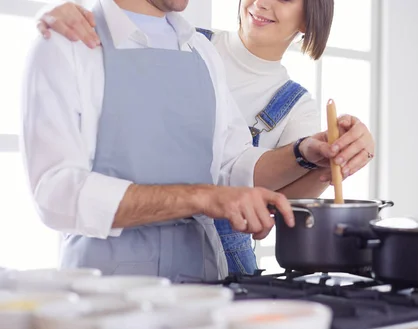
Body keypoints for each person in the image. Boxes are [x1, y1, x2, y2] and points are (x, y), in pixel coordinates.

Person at [22, 0, 368, 282]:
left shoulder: (200, 52)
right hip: (99, 295)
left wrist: (306, 153)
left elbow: (232, 165)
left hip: (202, 290)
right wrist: (199, 197)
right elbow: (56, 194)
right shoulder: (68, 43)